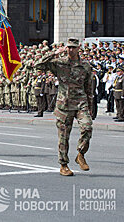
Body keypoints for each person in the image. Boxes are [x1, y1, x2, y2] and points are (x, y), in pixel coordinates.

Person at [36, 38, 93, 176]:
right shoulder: (59, 63)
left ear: (78, 48)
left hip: (80, 102)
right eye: (68, 47)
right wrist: (55, 53)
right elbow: (38, 64)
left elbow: (89, 87)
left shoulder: (85, 66)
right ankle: (64, 164)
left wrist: (90, 107)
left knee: (87, 127)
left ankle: (80, 154)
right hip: (64, 104)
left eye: (73, 47)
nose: (70, 50)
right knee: (63, 136)